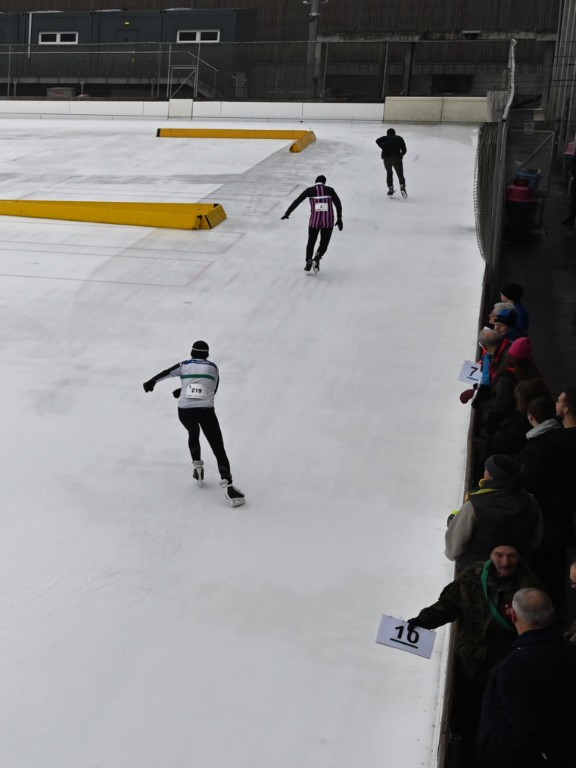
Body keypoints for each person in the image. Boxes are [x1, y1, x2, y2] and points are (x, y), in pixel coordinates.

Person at [406, 543, 542, 768]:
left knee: (494, 722)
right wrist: (423, 620)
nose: (505, 562)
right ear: (490, 555)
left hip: (502, 671)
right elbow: (450, 604)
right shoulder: (473, 576)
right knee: (464, 720)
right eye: (499, 555)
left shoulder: (529, 588)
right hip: (468, 662)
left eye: (511, 556)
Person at [477, 588, 576, 768]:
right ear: (552, 614)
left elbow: (522, 725)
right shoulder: (571, 652)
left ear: (513, 615)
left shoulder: (513, 666)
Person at [142, 340, 246, 508]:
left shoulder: (184, 365)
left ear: (192, 353)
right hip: (205, 411)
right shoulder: (213, 368)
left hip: (184, 410)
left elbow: (166, 373)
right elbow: (212, 390)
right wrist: (187, 390)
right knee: (218, 448)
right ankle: (229, 486)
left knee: (193, 433)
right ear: (207, 354)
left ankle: (197, 467)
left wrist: (151, 382)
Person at [517, 389, 576, 610]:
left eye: (560, 401)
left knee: (541, 573)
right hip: (563, 519)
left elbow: (529, 483)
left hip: (543, 519)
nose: (556, 404)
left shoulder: (545, 445)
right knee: (556, 574)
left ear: (566, 408)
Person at [445, 455, 542, 571]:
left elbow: (453, 548)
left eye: (485, 470)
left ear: (490, 475)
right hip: (515, 572)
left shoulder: (474, 505)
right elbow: (535, 539)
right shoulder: (530, 501)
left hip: (477, 575)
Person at [281, 175, 343, 273]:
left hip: (315, 221)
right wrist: (339, 218)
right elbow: (338, 204)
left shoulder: (310, 190)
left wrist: (287, 213)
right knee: (324, 242)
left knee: (311, 242)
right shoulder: (330, 190)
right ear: (324, 182)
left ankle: (309, 261)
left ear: (316, 181)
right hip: (328, 221)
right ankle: (317, 256)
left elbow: (297, 201)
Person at [375, 128, 407, 196]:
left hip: (387, 158)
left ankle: (390, 188)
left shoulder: (385, 138)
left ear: (387, 133)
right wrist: (401, 155)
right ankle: (402, 187)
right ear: (394, 133)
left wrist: (383, 147)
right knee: (400, 173)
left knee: (389, 172)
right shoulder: (399, 138)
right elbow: (404, 149)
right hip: (397, 158)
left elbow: (377, 140)